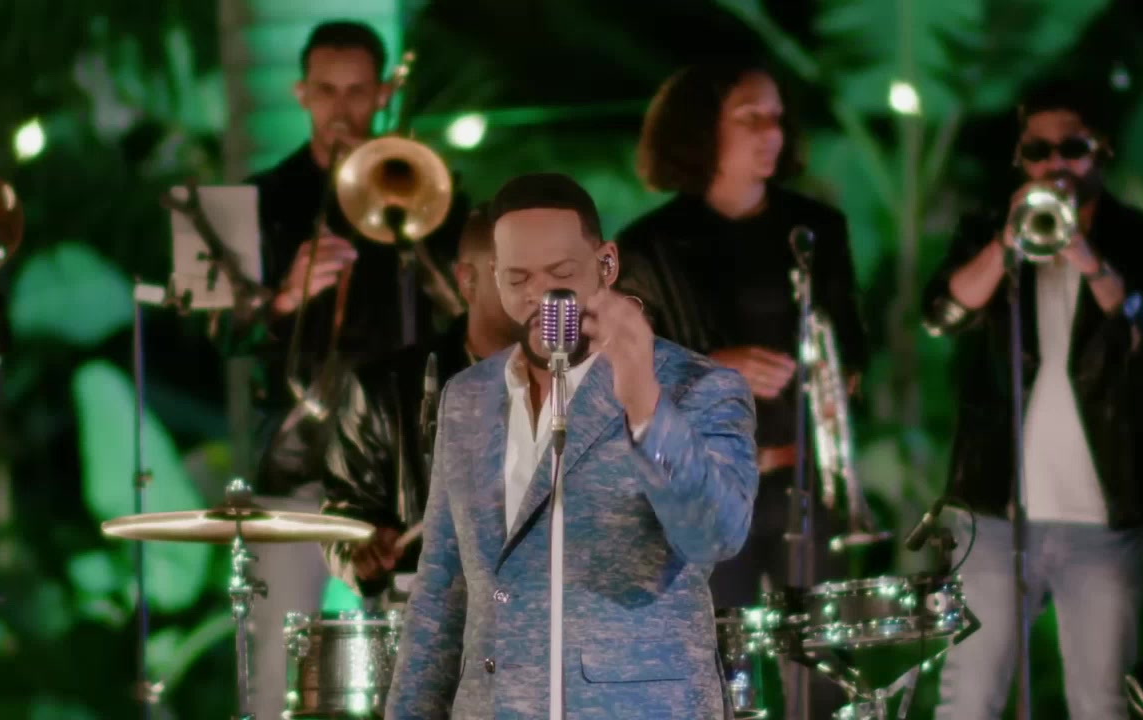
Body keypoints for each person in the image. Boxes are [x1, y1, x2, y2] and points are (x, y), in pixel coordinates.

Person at [385, 173, 758, 718]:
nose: (540, 295)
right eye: (517, 279)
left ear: (606, 264)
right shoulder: (467, 397)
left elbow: (716, 535)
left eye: (560, 274)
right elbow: (442, 587)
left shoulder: (696, 387)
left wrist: (644, 401)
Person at [922, 80, 1143, 720]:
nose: (1054, 165)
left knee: (1100, 702)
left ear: (1102, 151)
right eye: (1037, 151)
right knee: (968, 699)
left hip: (1106, 517)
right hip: (995, 511)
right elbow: (943, 315)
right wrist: (1005, 244)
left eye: (1071, 148)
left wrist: (1087, 257)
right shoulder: (986, 231)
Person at [615, 58, 868, 718]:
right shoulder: (648, 245)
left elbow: (852, 349)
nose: (771, 133)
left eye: (777, 118)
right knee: (716, 677)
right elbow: (617, 376)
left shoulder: (815, 230)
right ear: (702, 128)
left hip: (801, 481)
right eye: (750, 117)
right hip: (701, 496)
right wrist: (712, 367)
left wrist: (836, 379)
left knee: (823, 678)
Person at [235, 20, 466, 720]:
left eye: (358, 91)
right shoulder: (262, 199)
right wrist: (284, 297)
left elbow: (467, 313)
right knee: (272, 673)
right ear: (301, 93)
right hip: (297, 458)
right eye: (327, 91)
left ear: (384, 93)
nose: (342, 109)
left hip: (402, 471)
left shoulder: (425, 192)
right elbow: (219, 334)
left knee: (420, 669)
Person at [320, 204, 514, 607]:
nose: (538, 292)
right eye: (517, 274)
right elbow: (344, 511)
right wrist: (363, 545)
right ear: (467, 280)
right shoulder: (384, 388)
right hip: (430, 618)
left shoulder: (584, 383)